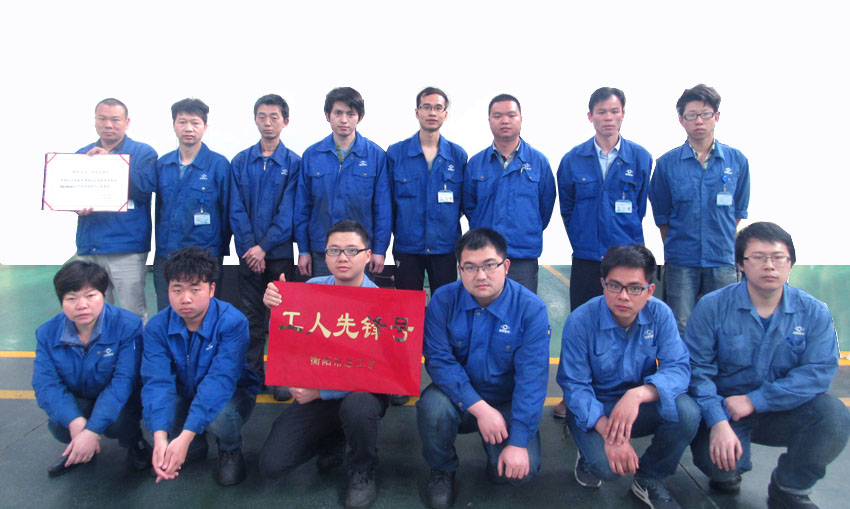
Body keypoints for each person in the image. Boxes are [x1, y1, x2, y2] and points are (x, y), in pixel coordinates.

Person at [685, 222, 850, 508]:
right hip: (726, 410)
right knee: (722, 467)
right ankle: (728, 470)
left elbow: (818, 373)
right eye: (759, 257)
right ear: (741, 264)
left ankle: (790, 487)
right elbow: (697, 372)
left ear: (791, 263)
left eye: (778, 257)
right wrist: (717, 421)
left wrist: (755, 400)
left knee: (833, 417)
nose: (769, 265)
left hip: (782, 409)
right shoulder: (712, 307)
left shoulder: (813, 311)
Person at [557, 245, 699, 509]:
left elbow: (678, 368)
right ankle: (587, 457)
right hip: (595, 407)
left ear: (650, 290)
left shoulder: (659, 314)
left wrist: (638, 395)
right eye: (614, 286)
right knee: (606, 469)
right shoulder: (581, 321)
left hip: (637, 405)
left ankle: (649, 477)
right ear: (603, 284)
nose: (623, 296)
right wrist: (609, 434)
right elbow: (575, 386)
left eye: (634, 288)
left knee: (687, 412)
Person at [417, 228, 550, 509]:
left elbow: (532, 380)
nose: (480, 275)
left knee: (518, 474)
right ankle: (442, 469)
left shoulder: (531, 309)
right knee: (432, 407)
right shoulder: (443, 300)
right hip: (459, 400)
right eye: (470, 267)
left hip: (505, 402)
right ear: (460, 269)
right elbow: (439, 360)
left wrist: (518, 442)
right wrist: (481, 409)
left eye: (490, 265)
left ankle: (497, 452)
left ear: (506, 266)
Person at [259, 220, 388, 509]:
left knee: (358, 406)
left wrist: (320, 393)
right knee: (272, 465)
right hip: (316, 391)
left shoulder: (382, 303)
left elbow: (379, 373)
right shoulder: (311, 289)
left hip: (361, 392)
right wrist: (276, 308)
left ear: (368, 255)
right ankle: (334, 436)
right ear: (325, 255)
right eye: (334, 250)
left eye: (352, 250)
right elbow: (293, 341)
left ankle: (362, 470)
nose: (343, 257)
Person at [554, 87, 653, 419]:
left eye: (614, 111)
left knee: (627, 323)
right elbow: (567, 209)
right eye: (601, 112)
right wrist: (584, 239)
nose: (608, 118)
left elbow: (639, 208)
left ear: (623, 114)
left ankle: (626, 390)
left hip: (627, 261)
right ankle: (573, 393)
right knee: (581, 325)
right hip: (586, 258)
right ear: (590, 116)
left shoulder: (640, 158)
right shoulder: (572, 160)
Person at [141, 248, 260, 486]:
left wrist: (184, 437)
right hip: (184, 392)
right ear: (168, 290)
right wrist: (160, 439)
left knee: (219, 416)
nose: (186, 298)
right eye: (177, 290)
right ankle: (193, 443)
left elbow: (220, 381)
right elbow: (157, 382)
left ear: (212, 289)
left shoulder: (232, 322)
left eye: (195, 289)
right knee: (153, 415)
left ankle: (229, 448)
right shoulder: (156, 327)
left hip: (231, 393)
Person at [32, 260, 150, 477]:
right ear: (61, 301)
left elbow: (123, 382)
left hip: (121, 401)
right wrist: (75, 421)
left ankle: (135, 441)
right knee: (59, 426)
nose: (82, 305)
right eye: (71, 298)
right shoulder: (47, 334)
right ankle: (81, 448)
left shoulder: (127, 325)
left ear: (104, 294)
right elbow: (46, 385)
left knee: (119, 422)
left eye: (90, 296)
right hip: (81, 398)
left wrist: (93, 430)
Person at [649, 84, 750, 335]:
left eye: (705, 114)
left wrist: (719, 238)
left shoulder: (737, 161)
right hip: (681, 261)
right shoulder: (667, 164)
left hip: (722, 259)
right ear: (681, 120)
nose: (699, 121)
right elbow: (662, 216)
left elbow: (738, 211)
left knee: (725, 325)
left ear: (716, 117)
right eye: (692, 115)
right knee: (681, 325)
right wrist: (679, 246)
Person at [230, 94, 301, 402]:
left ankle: (281, 376)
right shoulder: (240, 161)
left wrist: (264, 247)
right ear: (255, 120)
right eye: (262, 116)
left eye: (274, 117)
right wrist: (251, 248)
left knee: (283, 317)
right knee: (251, 316)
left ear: (285, 121)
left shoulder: (294, 163)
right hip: (249, 256)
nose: (268, 122)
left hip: (279, 254)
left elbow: (289, 213)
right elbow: (236, 210)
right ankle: (252, 374)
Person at [295, 87, 390, 282]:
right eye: (338, 113)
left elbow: (383, 208)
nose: (344, 120)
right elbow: (302, 207)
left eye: (350, 114)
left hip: (360, 251)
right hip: (323, 250)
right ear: (327, 116)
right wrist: (303, 250)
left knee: (359, 301)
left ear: (360, 117)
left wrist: (380, 250)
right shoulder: (312, 155)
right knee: (323, 300)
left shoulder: (375, 156)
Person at [74, 98, 158, 322]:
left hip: (127, 248)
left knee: (132, 313)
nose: (108, 125)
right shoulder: (83, 155)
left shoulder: (143, 153)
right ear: (95, 121)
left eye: (115, 120)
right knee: (94, 313)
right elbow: (71, 195)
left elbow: (144, 190)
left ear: (126, 122)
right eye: (102, 119)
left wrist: (111, 163)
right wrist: (75, 205)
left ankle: (135, 347)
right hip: (90, 246)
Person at [463, 94, 556, 294]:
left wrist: (525, 229)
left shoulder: (539, 162)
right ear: (489, 120)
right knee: (483, 309)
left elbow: (545, 207)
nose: (505, 121)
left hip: (522, 256)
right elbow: (470, 207)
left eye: (511, 115)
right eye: (498, 116)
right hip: (483, 256)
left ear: (521, 119)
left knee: (522, 308)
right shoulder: (476, 163)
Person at [387, 86, 467, 295]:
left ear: (445, 114)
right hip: (407, 247)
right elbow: (387, 204)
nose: (432, 113)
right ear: (417, 112)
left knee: (445, 304)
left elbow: (464, 203)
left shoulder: (458, 156)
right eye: (426, 107)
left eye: (438, 108)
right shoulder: (396, 153)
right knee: (406, 306)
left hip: (445, 247)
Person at [153, 98, 231, 311]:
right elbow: (159, 210)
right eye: (182, 122)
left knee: (206, 312)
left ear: (205, 126)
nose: (188, 128)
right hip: (167, 254)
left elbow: (227, 213)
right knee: (167, 311)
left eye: (195, 123)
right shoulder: (163, 164)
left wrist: (218, 251)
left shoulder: (219, 165)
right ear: (174, 125)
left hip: (205, 254)